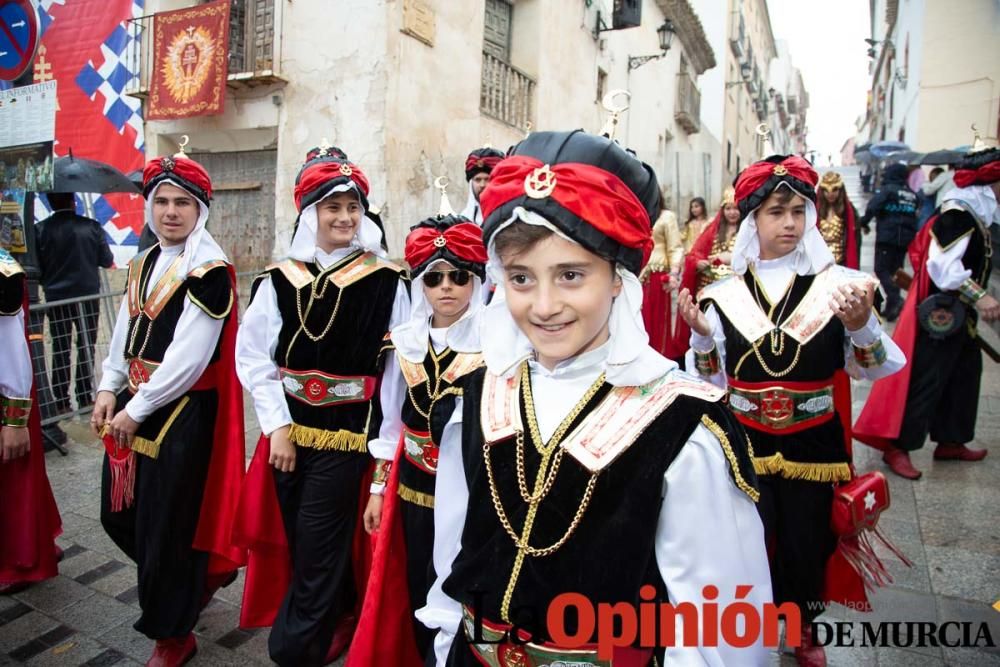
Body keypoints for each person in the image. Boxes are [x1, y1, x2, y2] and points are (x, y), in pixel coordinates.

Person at [417, 129, 771, 666]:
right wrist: (446, 644)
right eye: (521, 278)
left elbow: (714, 626)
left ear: (617, 280)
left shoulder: (681, 424)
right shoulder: (477, 397)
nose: (544, 305)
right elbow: (450, 557)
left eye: (571, 275)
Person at [678, 154, 905, 667]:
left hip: (812, 440)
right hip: (746, 439)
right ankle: (751, 623)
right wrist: (700, 335)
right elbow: (710, 379)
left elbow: (871, 367)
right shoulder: (722, 295)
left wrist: (863, 324)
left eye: (797, 212)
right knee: (748, 536)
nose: (789, 223)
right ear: (752, 219)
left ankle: (802, 626)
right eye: (776, 212)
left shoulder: (840, 287)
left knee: (807, 538)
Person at [234, 146, 409, 666]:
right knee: (300, 539)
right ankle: (341, 612)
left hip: (347, 436)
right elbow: (254, 358)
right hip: (288, 433)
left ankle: (295, 649)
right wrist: (278, 428)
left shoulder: (385, 281)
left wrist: (385, 444)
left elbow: (396, 368)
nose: (344, 218)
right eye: (332, 208)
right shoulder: (278, 279)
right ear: (310, 214)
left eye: (353, 207)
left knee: (316, 541)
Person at [91, 154, 246, 666]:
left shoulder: (209, 272)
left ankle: (172, 634)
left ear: (200, 210)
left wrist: (141, 407)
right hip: (134, 404)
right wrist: (110, 388)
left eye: (183, 202)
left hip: (181, 414)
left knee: (165, 528)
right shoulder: (142, 262)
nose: (170, 211)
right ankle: (189, 578)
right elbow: (123, 332)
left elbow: (189, 356)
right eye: (161, 200)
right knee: (118, 516)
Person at [351, 209, 488, 666]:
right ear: (419, 285)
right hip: (412, 489)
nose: (446, 286)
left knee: (460, 583)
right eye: (433, 278)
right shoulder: (402, 342)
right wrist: (376, 489)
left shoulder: (498, 344)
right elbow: (388, 424)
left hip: (471, 495)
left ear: (477, 281)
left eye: (458, 276)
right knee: (415, 583)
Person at [854, 147, 1000, 479]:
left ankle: (951, 440)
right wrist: (981, 298)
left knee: (965, 373)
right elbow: (942, 267)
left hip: (958, 316)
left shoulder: (972, 214)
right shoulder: (958, 214)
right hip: (942, 316)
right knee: (927, 378)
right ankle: (898, 446)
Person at [0, 247, 62, 594]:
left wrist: (15, 419)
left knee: (14, 481)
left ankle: (20, 560)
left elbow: (11, 347)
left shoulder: (3, 272)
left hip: (6, 398)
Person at [35, 192, 114, 413]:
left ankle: (61, 401)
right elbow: (107, 260)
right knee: (86, 345)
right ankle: (84, 394)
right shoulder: (92, 227)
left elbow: (37, 268)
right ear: (74, 201)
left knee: (60, 347)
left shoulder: (41, 230)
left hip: (57, 297)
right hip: (87, 295)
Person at [667, 187, 741, 363]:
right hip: (710, 295)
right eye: (728, 208)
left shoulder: (748, 230)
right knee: (708, 335)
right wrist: (698, 262)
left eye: (736, 208)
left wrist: (732, 259)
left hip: (737, 295)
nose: (732, 212)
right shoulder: (714, 230)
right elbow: (695, 253)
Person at [859, 162, 919, 321]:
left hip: (888, 235)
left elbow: (873, 206)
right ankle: (892, 306)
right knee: (895, 271)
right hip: (905, 238)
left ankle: (895, 299)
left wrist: (863, 222)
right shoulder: (911, 194)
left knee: (881, 269)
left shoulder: (888, 190)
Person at [639, 201, 683, 355]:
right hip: (639, 275)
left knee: (658, 322)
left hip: (659, 275)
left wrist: (674, 273)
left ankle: (659, 357)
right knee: (640, 319)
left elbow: (674, 247)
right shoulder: (638, 213)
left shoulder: (666, 216)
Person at [816, 171, 860, 268]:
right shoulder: (815, 210)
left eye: (835, 190)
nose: (830, 194)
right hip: (820, 263)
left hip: (841, 262)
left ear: (840, 190)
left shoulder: (848, 211)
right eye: (826, 190)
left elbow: (854, 240)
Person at [459, 146, 505, 224]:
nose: (482, 185)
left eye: (487, 179)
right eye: (478, 180)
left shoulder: (508, 216)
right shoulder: (463, 220)